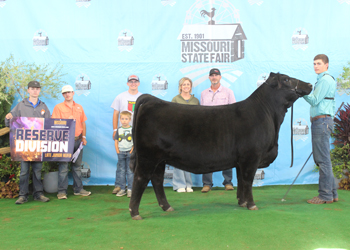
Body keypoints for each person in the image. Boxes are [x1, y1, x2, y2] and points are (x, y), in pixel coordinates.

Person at [5, 81, 51, 204]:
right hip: (24, 145)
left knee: (37, 171)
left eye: (37, 89)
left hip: (38, 145)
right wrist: (8, 117)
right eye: (32, 88)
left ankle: (38, 194)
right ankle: (22, 195)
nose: (35, 91)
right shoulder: (20, 105)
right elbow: (10, 122)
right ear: (28, 90)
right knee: (24, 171)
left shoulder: (43, 107)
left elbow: (49, 124)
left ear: (39, 91)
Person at [303, 54, 338, 204]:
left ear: (326, 65)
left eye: (319, 63)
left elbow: (314, 100)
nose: (316, 66)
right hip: (323, 121)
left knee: (322, 160)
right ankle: (332, 193)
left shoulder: (324, 80)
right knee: (325, 159)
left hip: (321, 122)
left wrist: (302, 92)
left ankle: (325, 196)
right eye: (314, 63)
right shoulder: (324, 80)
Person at [51, 85, 91, 199]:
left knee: (77, 166)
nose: (67, 94)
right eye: (65, 93)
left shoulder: (79, 107)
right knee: (63, 167)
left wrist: (84, 137)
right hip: (64, 141)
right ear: (62, 95)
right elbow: (55, 124)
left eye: (69, 92)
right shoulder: (58, 107)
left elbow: (83, 123)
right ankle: (62, 191)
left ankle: (78, 189)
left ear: (73, 93)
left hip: (78, 140)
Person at [200, 68, 236, 193]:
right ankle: (207, 183)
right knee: (206, 155)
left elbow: (233, 111)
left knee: (228, 154)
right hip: (207, 129)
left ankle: (228, 182)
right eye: (212, 75)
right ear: (209, 78)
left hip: (224, 128)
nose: (214, 77)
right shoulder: (204, 93)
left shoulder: (228, 92)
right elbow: (201, 113)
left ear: (220, 77)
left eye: (216, 75)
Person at [111, 75, 142, 194]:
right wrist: (115, 130)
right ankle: (119, 186)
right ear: (127, 83)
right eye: (131, 81)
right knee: (121, 163)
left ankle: (133, 186)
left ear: (138, 83)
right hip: (123, 132)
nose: (133, 83)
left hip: (137, 132)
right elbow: (116, 113)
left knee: (135, 161)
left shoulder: (142, 97)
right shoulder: (121, 96)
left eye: (135, 81)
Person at [171, 77, 200, 193]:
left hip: (191, 134)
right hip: (178, 132)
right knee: (177, 157)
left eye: (188, 84)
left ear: (191, 86)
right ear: (180, 87)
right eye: (184, 84)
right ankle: (179, 185)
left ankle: (188, 184)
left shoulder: (195, 101)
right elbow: (171, 116)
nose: (186, 86)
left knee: (188, 158)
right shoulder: (175, 99)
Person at [114, 111, 134, 197]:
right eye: (122, 119)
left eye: (126, 119)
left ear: (130, 120)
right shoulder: (119, 130)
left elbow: (135, 142)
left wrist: (132, 150)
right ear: (120, 120)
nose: (124, 121)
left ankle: (130, 189)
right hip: (121, 153)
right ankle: (122, 189)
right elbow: (116, 141)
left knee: (130, 171)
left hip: (130, 152)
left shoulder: (132, 129)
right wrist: (118, 151)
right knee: (121, 171)